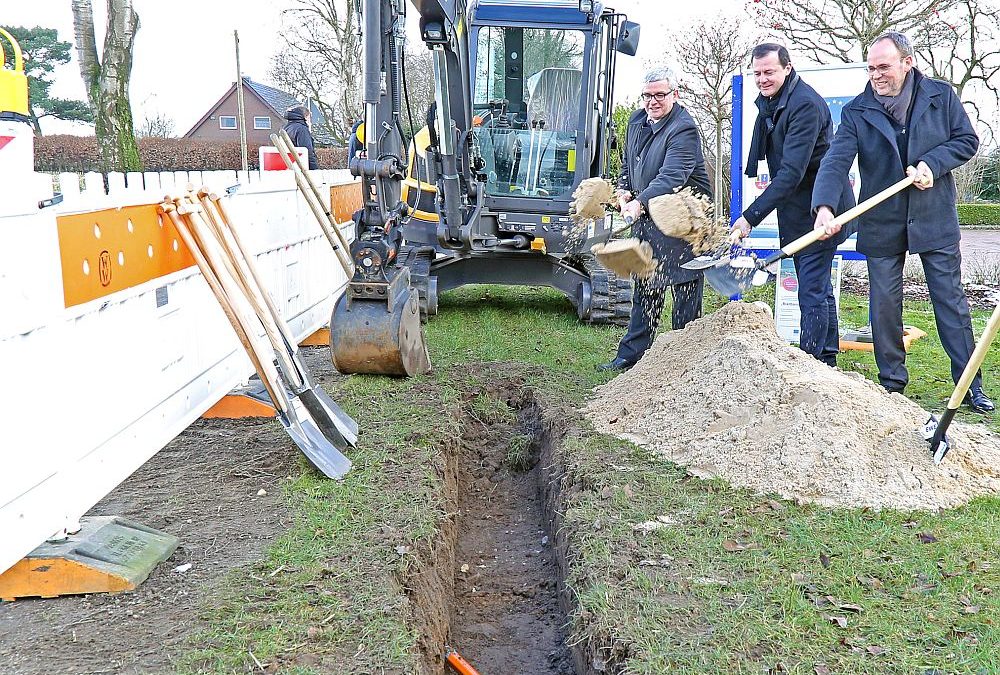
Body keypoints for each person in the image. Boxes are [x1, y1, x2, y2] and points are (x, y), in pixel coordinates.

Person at [812, 31, 993, 411]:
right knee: (884, 305)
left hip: (933, 216)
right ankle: (892, 384)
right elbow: (836, 160)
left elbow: (966, 141)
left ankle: (969, 385)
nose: (876, 74)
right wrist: (825, 207)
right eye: (871, 67)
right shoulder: (857, 111)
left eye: (884, 66)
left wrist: (933, 164)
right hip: (882, 219)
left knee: (951, 302)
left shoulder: (940, 97)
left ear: (907, 62)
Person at [731, 43, 855, 367]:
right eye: (757, 73)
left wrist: (749, 218)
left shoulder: (805, 106)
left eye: (769, 72)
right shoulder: (771, 103)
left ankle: (811, 364)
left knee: (812, 289)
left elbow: (790, 174)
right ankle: (826, 360)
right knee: (818, 288)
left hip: (821, 209)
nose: (762, 79)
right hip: (798, 208)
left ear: (787, 68)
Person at [598, 66, 712, 372]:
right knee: (646, 286)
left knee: (685, 290)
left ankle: (685, 360)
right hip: (647, 219)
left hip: (682, 223)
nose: (653, 101)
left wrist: (640, 202)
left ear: (674, 95)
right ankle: (632, 356)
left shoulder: (684, 129)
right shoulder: (637, 121)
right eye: (647, 95)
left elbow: (671, 177)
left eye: (660, 94)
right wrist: (623, 190)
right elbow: (628, 163)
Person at [283, 104, 319, 170]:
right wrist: (315, 169)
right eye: (309, 117)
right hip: (301, 168)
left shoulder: (286, 128)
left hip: (289, 166)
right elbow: (307, 151)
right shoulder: (302, 129)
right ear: (305, 117)